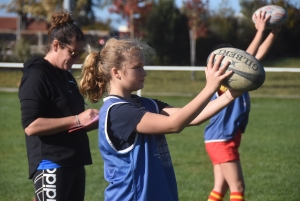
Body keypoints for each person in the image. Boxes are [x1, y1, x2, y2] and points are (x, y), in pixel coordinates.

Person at [78, 37, 244, 201]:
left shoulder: (146, 103)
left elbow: (193, 117)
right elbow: (174, 124)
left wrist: (231, 95)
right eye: (137, 67)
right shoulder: (118, 112)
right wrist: (209, 89)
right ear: (116, 72)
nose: (144, 72)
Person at [18, 11, 99, 201]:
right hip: (51, 163)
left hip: (74, 162)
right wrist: (78, 119)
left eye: (80, 53)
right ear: (56, 45)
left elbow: (70, 123)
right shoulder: (37, 75)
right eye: (73, 52)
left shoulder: (67, 77)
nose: (77, 58)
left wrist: (97, 120)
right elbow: (31, 126)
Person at [205, 11, 281, 201]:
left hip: (221, 138)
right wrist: (260, 31)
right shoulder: (223, 83)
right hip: (221, 140)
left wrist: (273, 33)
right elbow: (248, 57)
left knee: (219, 188)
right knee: (237, 188)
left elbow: (254, 60)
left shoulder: (238, 80)